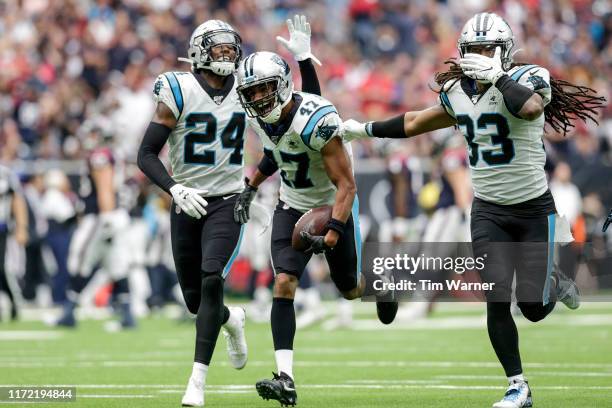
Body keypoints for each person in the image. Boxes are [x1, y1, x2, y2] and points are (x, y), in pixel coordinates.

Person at [342, 12, 605, 408]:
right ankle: (518, 386)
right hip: (488, 210)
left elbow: (531, 109)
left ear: (505, 52)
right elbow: (415, 122)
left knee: (533, 308)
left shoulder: (532, 77)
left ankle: (560, 275)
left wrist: (498, 76)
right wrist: (363, 129)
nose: (480, 57)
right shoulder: (458, 92)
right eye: (474, 51)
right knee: (496, 295)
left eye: (488, 50)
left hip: (534, 209)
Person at [137, 16, 322, 407]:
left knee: (209, 281)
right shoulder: (179, 88)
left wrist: (304, 60)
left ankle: (196, 383)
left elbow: (309, 110)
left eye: (229, 47)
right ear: (198, 52)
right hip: (186, 199)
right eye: (217, 47)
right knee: (194, 300)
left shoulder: (246, 86)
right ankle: (230, 320)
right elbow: (146, 153)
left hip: (228, 200)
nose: (226, 54)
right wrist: (175, 188)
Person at [232, 50, 398, 407]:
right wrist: (252, 184)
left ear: (282, 84)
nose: (259, 98)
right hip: (291, 205)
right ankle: (285, 379)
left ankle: (381, 287)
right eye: (252, 92)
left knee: (350, 290)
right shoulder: (262, 119)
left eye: (264, 89)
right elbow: (277, 152)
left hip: (330, 205)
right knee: (284, 282)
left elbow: (347, 186)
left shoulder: (316, 119)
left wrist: (334, 230)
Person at [55, 121, 134, 329]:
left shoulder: (101, 156)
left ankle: (69, 311)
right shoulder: (110, 154)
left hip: (100, 218)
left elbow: (105, 189)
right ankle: (127, 315)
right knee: (117, 265)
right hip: (111, 216)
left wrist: (106, 219)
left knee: (80, 260)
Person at [0, 164, 28, 321]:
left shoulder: (4, 173)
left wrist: (22, 227)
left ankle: (14, 301)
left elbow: (17, 200)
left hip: (2, 228)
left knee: (2, 268)